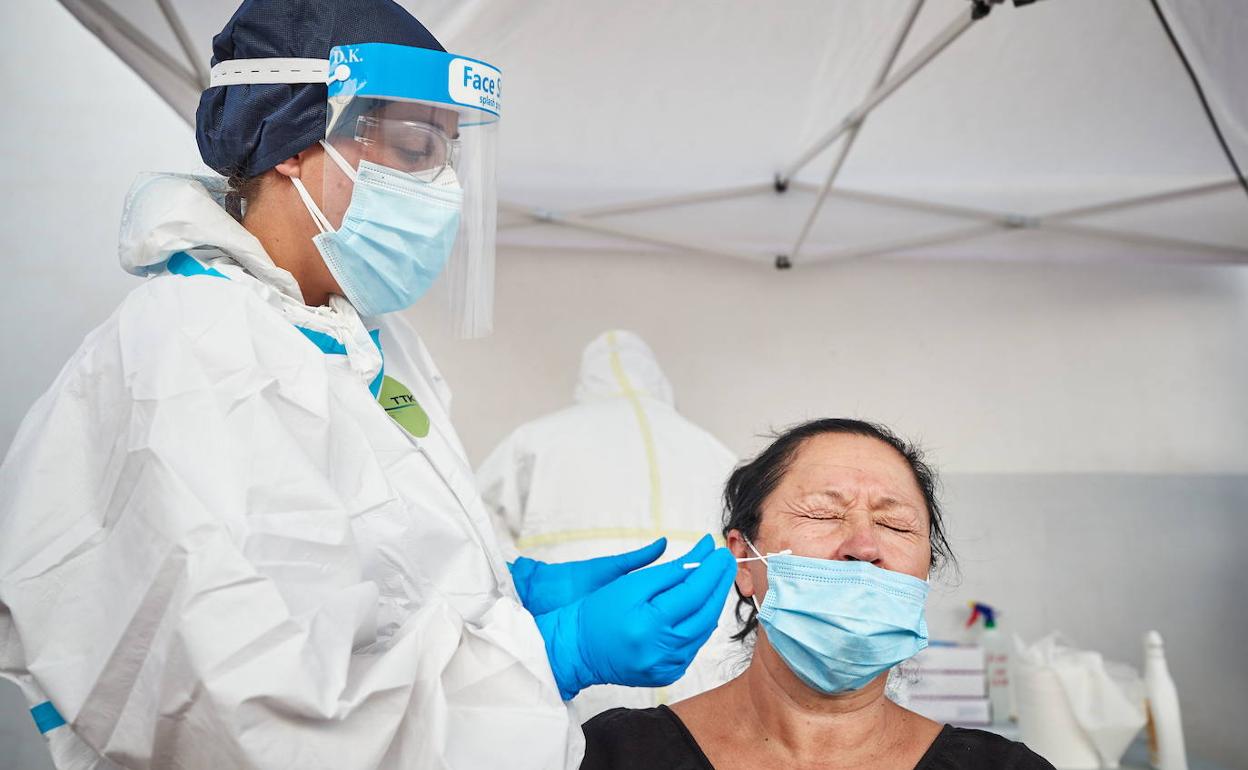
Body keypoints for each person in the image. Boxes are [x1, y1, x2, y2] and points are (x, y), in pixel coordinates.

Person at [0, 2, 736, 768]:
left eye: (448, 154)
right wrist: (553, 652)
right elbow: (251, 710)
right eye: (415, 148)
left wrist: (502, 591)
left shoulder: (367, 342)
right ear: (290, 142)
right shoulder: (188, 356)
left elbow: (376, 576)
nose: (442, 187)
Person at [581, 419, 1055, 770]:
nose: (864, 546)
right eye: (823, 515)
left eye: (895, 524)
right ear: (743, 559)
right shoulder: (614, 755)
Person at [477, 330, 740, 720]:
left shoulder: (535, 439)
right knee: (690, 746)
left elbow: (476, 535)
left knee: (588, 745)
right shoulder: (710, 446)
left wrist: (521, 586)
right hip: (697, 651)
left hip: (586, 654)